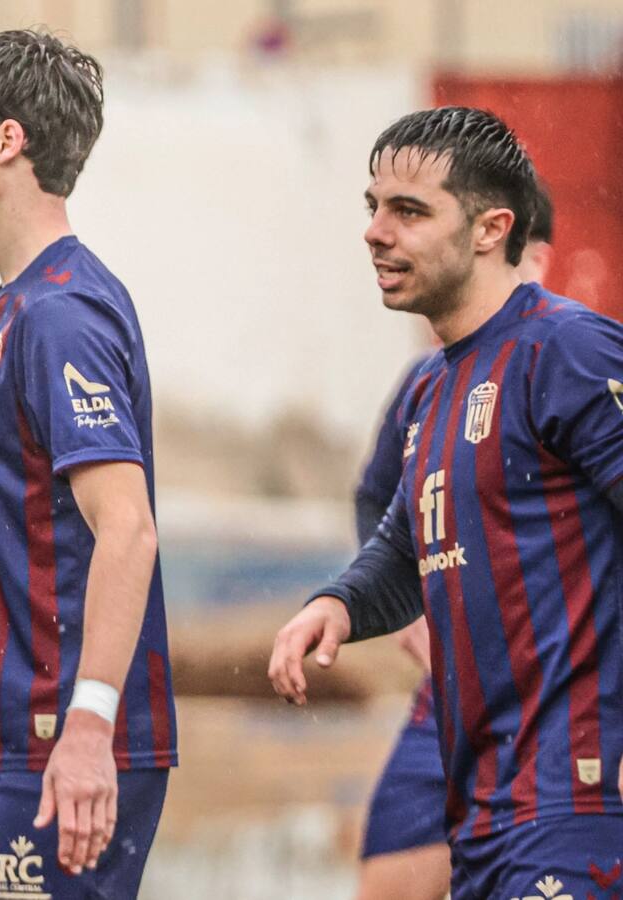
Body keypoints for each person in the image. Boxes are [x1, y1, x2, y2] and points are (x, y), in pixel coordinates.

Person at [269, 106, 623, 898]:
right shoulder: (432, 385)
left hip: (577, 806)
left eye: (409, 211)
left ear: (492, 229)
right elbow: (407, 546)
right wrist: (339, 604)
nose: (375, 232)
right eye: (373, 207)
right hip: (483, 815)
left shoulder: (566, 351)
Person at [0, 29, 177, 900]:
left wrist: (88, 727)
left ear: (8, 141)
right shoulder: (25, 304)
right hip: (16, 746)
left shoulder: (61, 314)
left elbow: (128, 530)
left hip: (59, 744)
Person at [352, 185, 555, 900]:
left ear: (532, 257)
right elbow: (376, 500)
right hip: (452, 697)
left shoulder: (572, 366)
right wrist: (406, 617)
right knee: (387, 880)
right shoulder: (427, 383)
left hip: (562, 704)